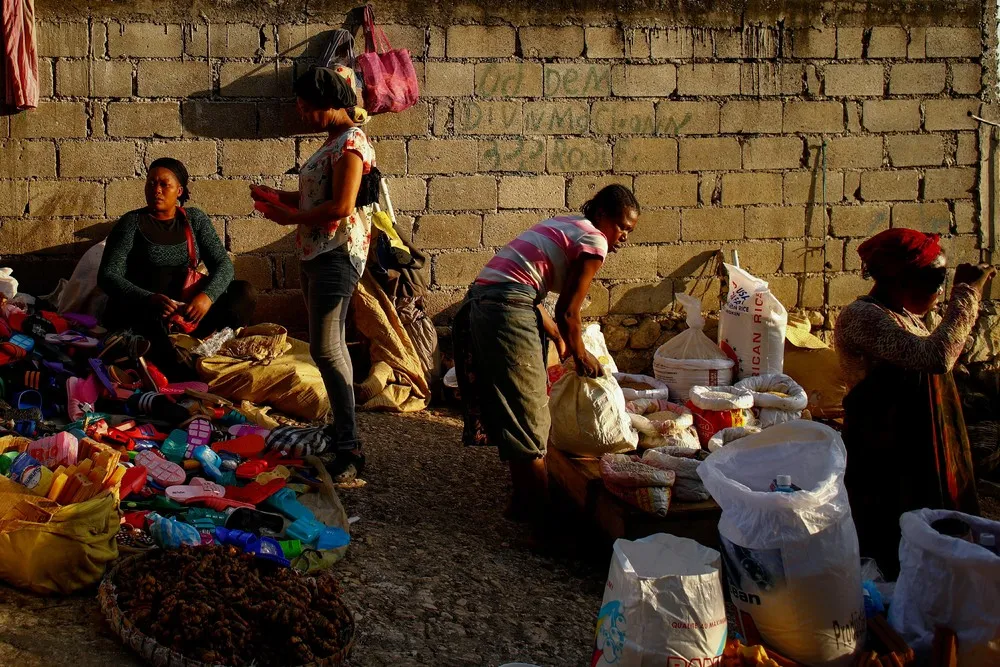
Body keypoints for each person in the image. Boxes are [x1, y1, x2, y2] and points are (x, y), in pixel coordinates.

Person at [453, 185, 640, 534]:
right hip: (506, 306)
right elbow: (570, 311)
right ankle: (544, 527)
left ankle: (521, 503)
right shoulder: (595, 240)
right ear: (601, 216)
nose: (623, 237)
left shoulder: (567, 223)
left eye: (629, 231)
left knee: (514, 407)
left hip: (483, 301)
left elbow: (526, 281)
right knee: (531, 417)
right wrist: (581, 354)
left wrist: (555, 335)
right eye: (621, 226)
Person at [835, 228, 996, 577]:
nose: (940, 292)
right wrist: (967, 294)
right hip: (884, 452)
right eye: (936, 280)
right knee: (893, 539)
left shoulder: (904, 316)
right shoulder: (862, 316)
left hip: (913, 447)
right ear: (901, 280)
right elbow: (935, 357)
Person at [250, 65, 375, 482]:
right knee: (329, 345)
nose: (302, 114)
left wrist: (292, 217)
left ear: (330, 103)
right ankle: (343, 434)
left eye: (308, 107)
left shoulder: (352, 142)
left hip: (337, 251)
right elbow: (313, 195)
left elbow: (342, 207)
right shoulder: (332, 141)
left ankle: (349, 446)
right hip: (315, 251)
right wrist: (278, 197)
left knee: (326, 347)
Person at [98, 157, 256, 378]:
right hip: (148, 311)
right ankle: (175, 364)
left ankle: (194, 347)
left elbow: (223, 266)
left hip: (188, 313)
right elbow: (107, 275)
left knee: (243, 292)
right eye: (151, 183)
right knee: (155, 338)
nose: (157, 190)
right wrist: (148, 298)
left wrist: (206, 298)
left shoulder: (194, 220)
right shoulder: (131, 223)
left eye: (164, 184)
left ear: (179, 191)